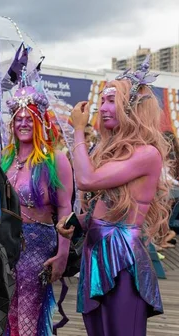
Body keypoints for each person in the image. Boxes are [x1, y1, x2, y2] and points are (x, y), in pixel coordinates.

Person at [57, 59, 167, 335]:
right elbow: (108, 205)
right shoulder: (119, 152)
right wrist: (80, 222)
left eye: (111, 101)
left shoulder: (147, 153)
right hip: (96, 252)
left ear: (132, 108)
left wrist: (79, 130)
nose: (103, 108)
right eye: (102, 101)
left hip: (122, 257)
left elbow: (86, 180)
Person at [2, 81, 73, 336]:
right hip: (7, 246)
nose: (23, 123)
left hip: (38, 246)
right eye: (18, 118)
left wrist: (62, 254)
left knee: (29, 313)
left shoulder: (55, 160)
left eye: (29, 119)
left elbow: (66, 209)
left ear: (40, 122)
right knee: (7, 312)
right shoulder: (6, 157)